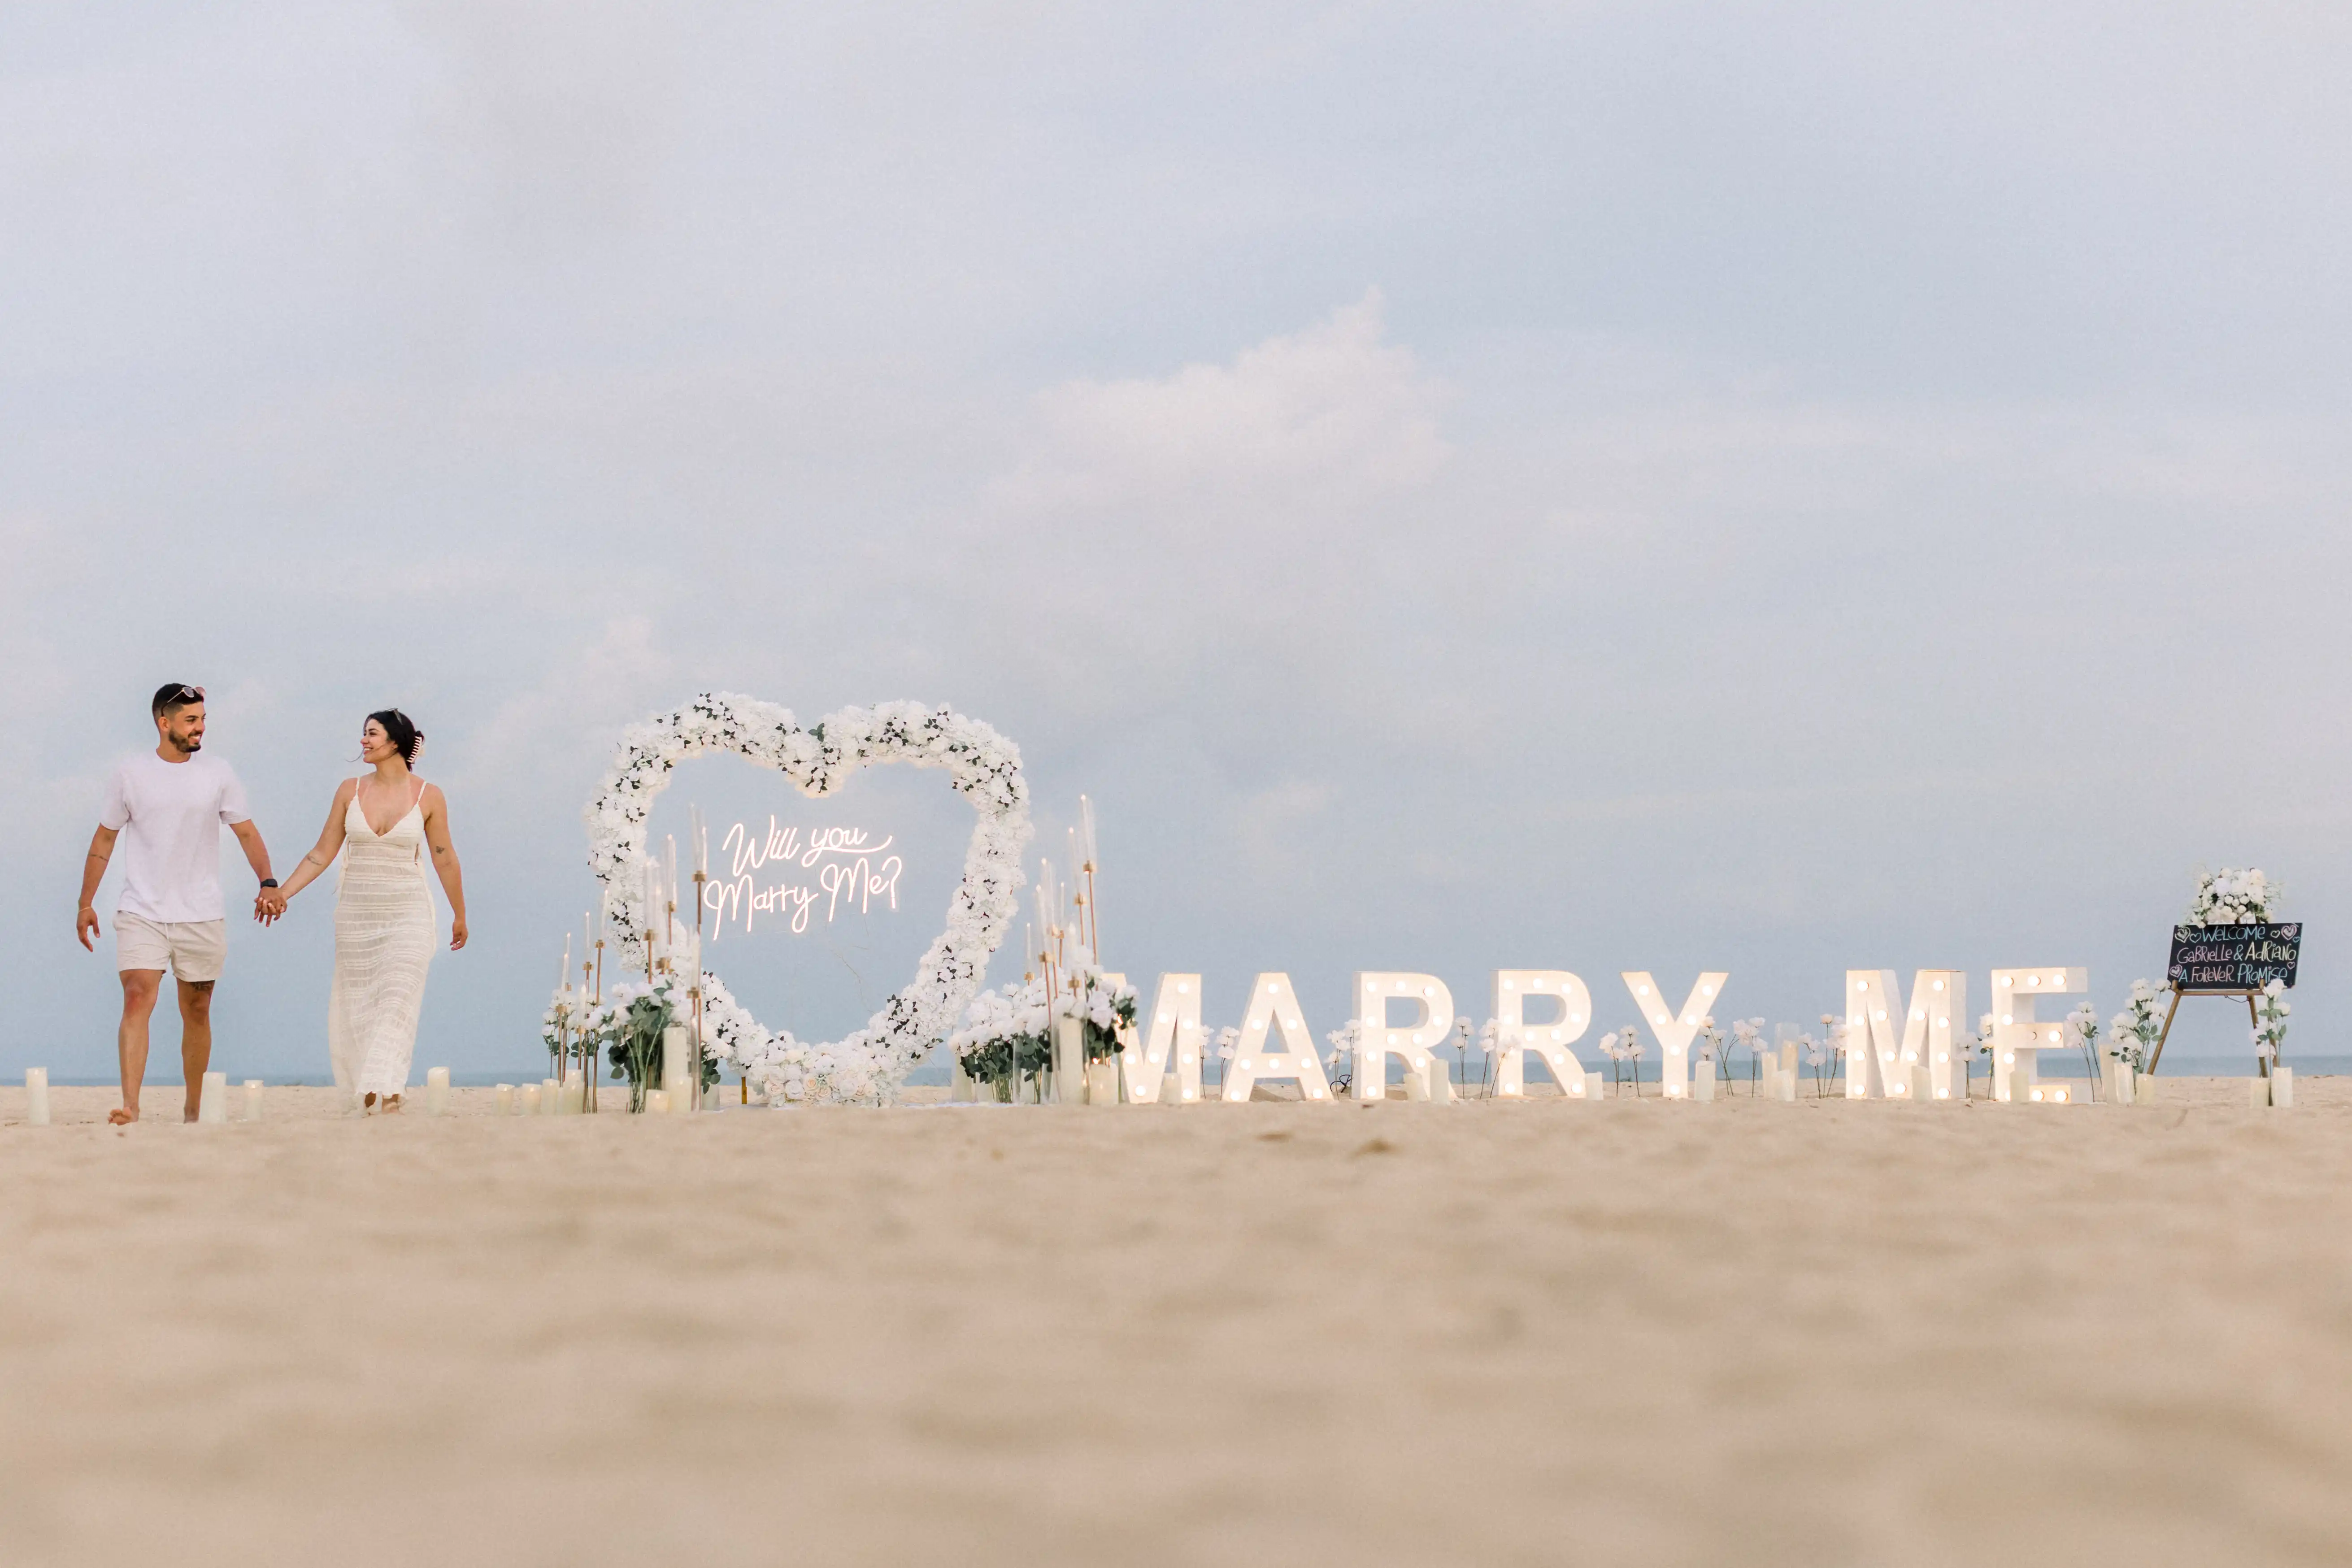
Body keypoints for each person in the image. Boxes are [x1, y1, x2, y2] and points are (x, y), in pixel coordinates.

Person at [78, 684, 281, 1125]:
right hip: (142, 909)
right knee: (136, 997)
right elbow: (105, 839)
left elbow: (246, 831)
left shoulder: (218, 773)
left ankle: (193, 1107)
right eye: (191, 720)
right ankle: (130, 1106)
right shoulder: (130, 773)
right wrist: (86, 901)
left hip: (201, 912)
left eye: (203, 719)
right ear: (163, 721)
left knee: (197, 1008)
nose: (200, 728)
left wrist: (267, 880)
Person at [264, 710, 467, 1112]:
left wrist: (459, 913)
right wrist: (282, 893)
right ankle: (372, 1086)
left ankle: (389, 1091)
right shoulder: (349, 790)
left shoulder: (429, 795)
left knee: (396, 1000)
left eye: (371, 734)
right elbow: (322, 853)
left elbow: (444, 857)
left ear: (395, 741)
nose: (363, 741)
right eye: (364, 734)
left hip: (408, 914)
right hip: (357, 916)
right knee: (359, 1006)